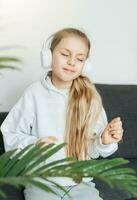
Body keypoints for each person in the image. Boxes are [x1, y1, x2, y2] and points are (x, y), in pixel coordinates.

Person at [1, 28, 123, 200]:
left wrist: (104, 141)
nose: (72, 62)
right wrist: (35, 146)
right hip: (42, 183)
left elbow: (94, 150)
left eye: (80, 58)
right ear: (49, 56)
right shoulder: (34, 93)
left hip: (81, 183)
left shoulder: (90, 98)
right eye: (65, 54)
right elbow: (10, 133)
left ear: (85, 65)